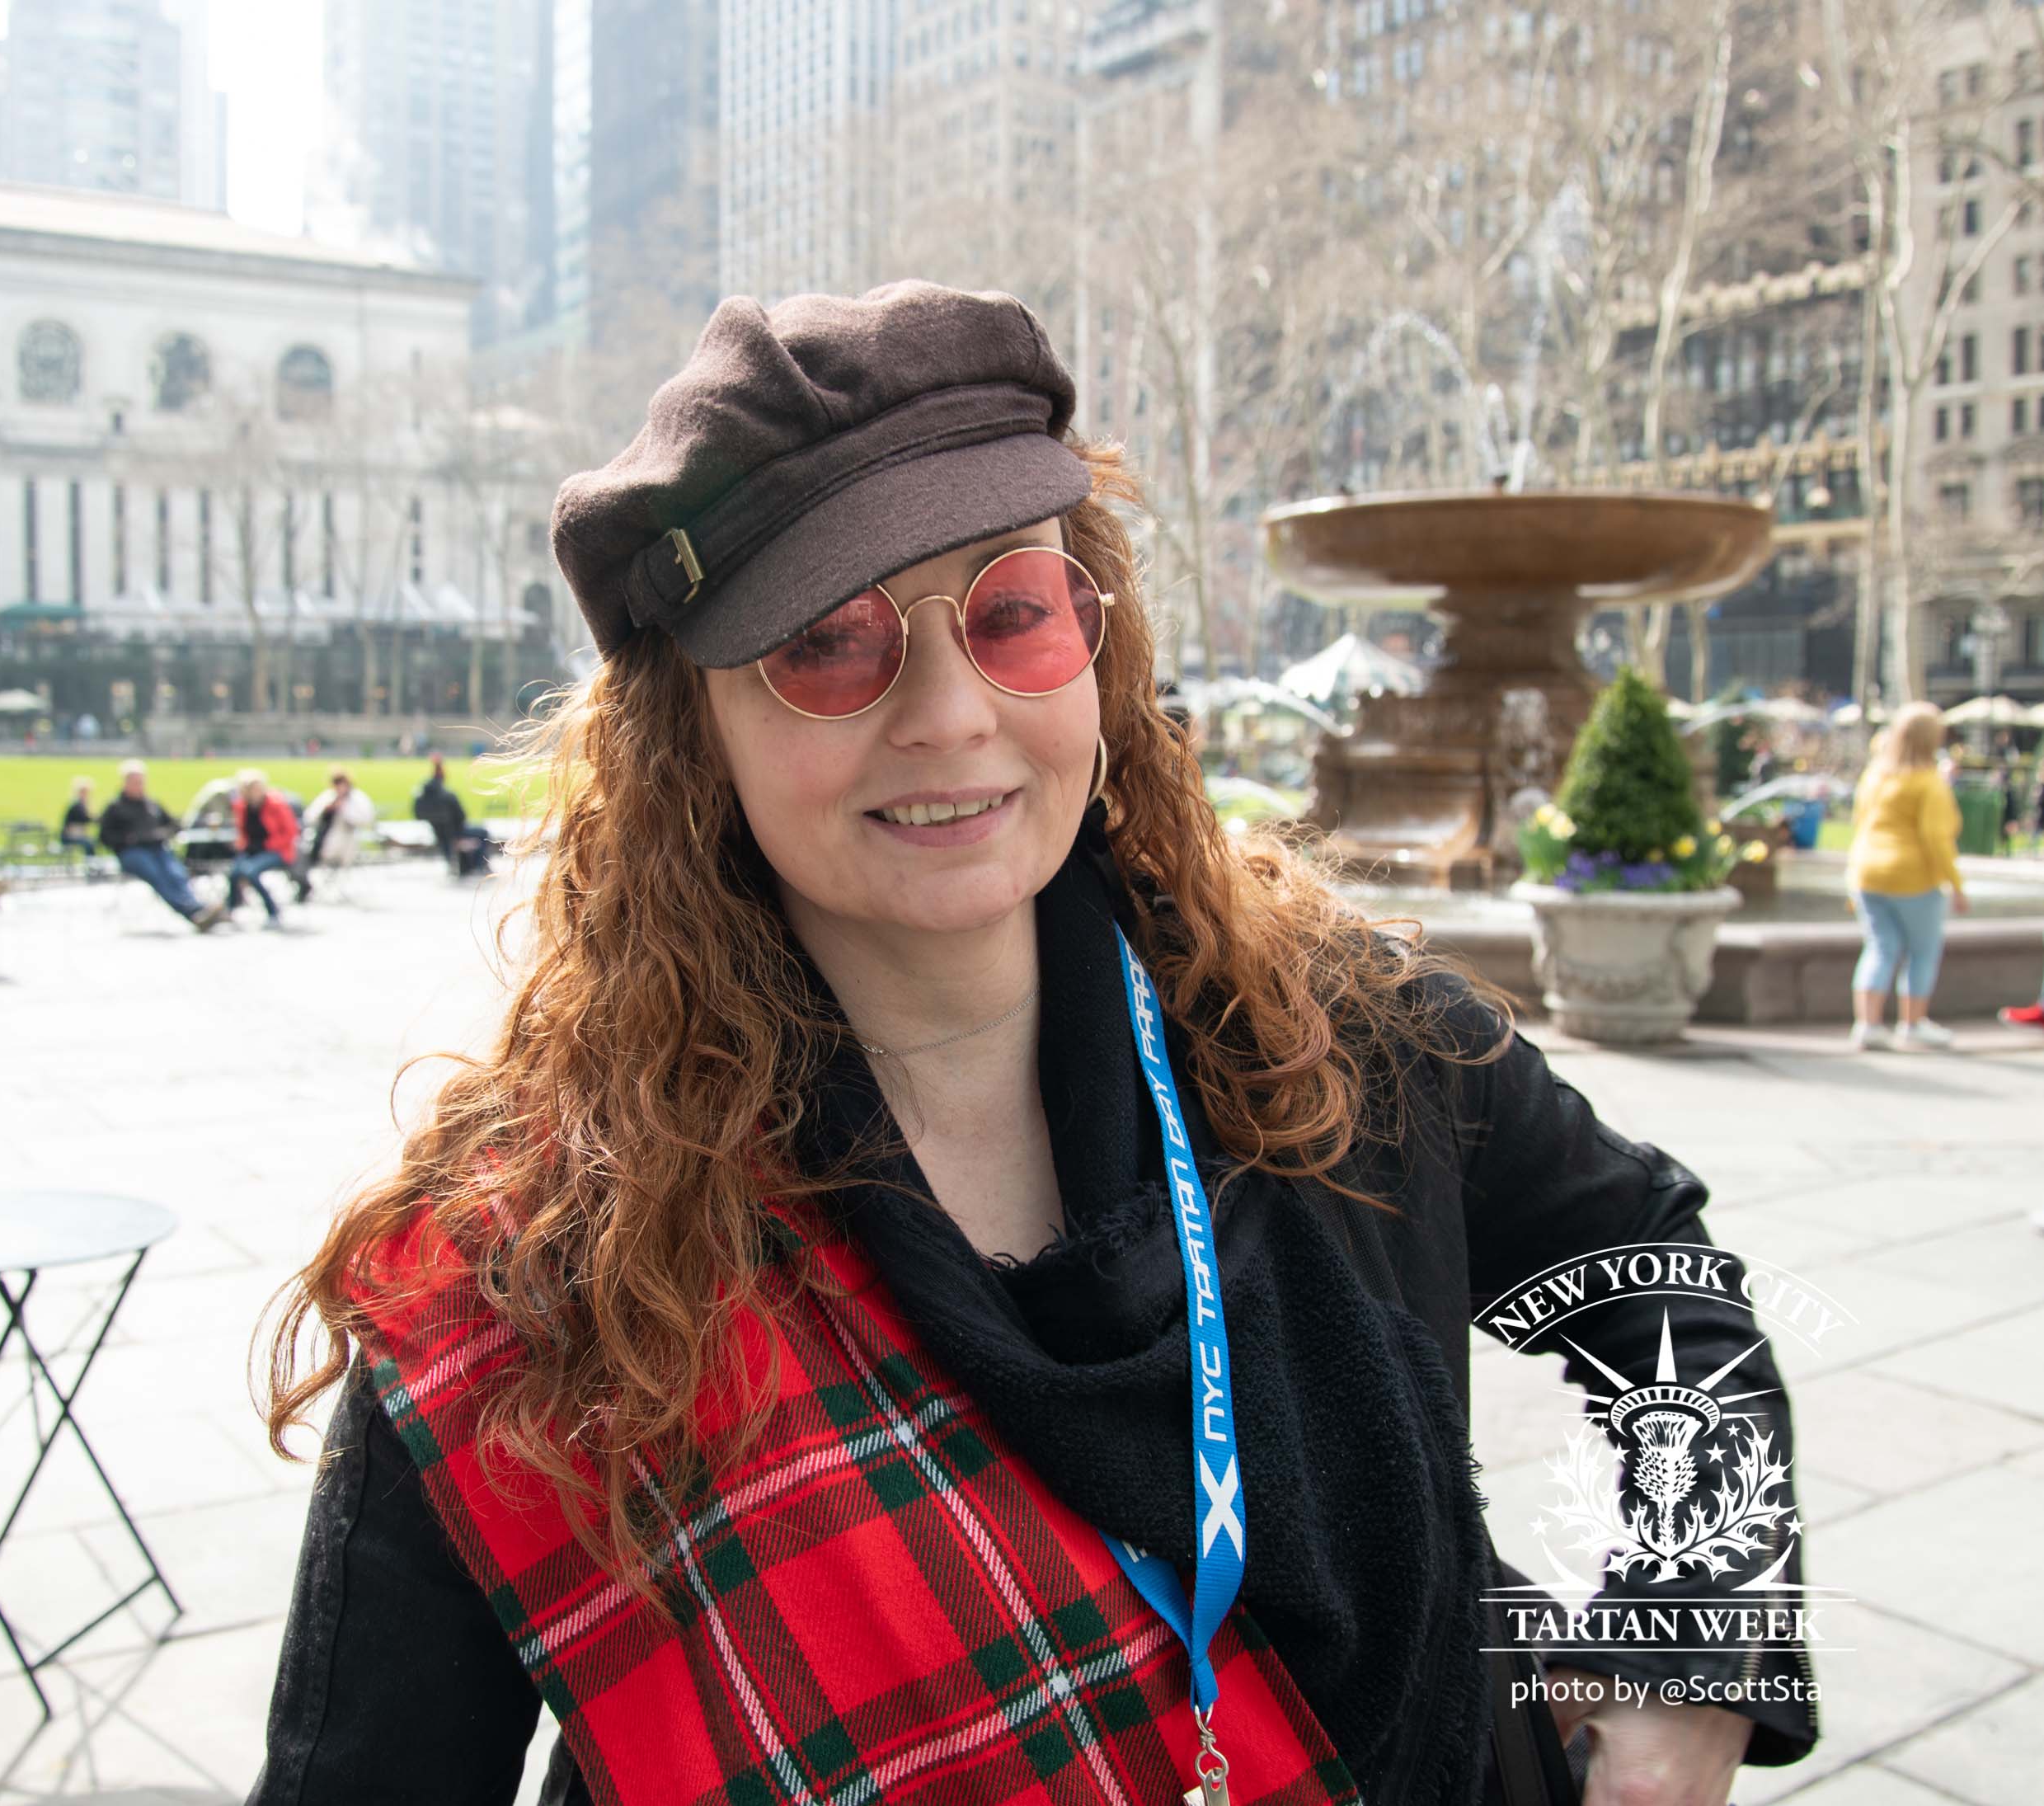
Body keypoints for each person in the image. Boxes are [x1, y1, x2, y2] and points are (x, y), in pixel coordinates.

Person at [250, 285, 1816, 1806]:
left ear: (1095, 645)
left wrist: (1694, 1651)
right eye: (827, 641)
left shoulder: (1330, 1027)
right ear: (689, 732)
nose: (948, 714)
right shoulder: (535, 1283)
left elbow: (1652, 1272)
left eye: (1011, 610)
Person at [1846, 703, 1968, 1051]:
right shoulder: (1929, 783)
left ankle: (1867, 1024)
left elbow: (1859, 823)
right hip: (1912, 877)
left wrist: (1852, 878)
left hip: (1867, 873)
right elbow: (1937, 839)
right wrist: (1956, 886)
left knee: (1880, 947)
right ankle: (1913, 1024)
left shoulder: (1875, 775)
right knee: (1923, 951)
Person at [96, 761, 226, 931]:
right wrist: (128, 839)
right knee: (156, 875)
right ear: (125, 783)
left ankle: (197, 908)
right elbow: (104, 837)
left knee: (176, 873)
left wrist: (163, 833)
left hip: (157, 848)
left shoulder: (152, 804)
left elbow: (173, 825)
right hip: (132, 852)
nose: (139, 786)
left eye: (141, 782)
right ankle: (191, 912)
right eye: (135, 782)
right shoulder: (115, 807)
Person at [226, 769, 299, 929]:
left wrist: (267, 845)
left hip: (277, 850)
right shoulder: (242, 807)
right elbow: (243, 832)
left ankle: (272, 911)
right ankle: (230, 910)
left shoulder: (276, 805)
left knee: (250, 872)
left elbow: (291, 832)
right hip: (253, 850)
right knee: (234, 872)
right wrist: (241, 845)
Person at [294, 769, 375, 902]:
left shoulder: (356, 798)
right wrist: (326, 809)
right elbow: (310, 817)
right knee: (301, 853)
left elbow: (365, 819)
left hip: (346, 841)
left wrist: (343, 810)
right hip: (322, 839)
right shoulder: (328, 796)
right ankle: (306, 885)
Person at [413, 756, 468, 874]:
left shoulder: (424, 795)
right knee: (481, 833)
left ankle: (452, 862)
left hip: (437, 827)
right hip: (453, 829)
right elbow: (461, 815)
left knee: (445, 840)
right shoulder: (448, 796)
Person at [60, 777, 99, 859]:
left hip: (76, 834)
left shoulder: (82, 805)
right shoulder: (77, 805)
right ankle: (91, 862)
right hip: (69, 836)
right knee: (89, 844)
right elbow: (86, 818)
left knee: (91, 842)